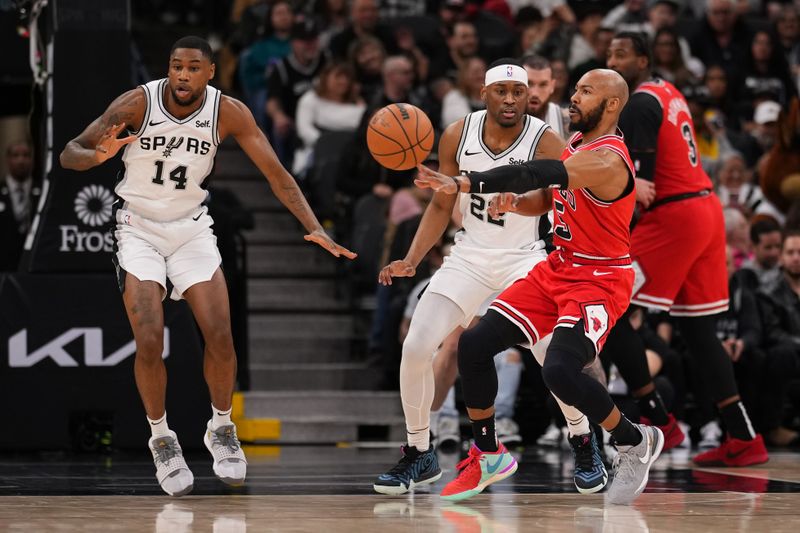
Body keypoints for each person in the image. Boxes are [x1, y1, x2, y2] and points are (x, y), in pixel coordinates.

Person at [59, 36, 355, 497]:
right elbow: (69, 151)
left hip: (191, 228)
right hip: (138, 228)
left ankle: (220, 427)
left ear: (210, 72)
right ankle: (161, 438)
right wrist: (98, 154)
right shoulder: (137, 103)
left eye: (193, 68)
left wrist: (314, 227)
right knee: (151, 339)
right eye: (176, 66)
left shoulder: (229, 112)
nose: (182, 75)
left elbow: (277, 175)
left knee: (219, 332)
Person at [414, 68, 664, 505]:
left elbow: (539, 171)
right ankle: (488, 453)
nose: (574, 97)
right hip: (557, 269)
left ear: (611, 105)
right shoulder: (579, 143)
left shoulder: (606, 158)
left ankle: (634, 440)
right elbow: (551, 193)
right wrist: (523, 203)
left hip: (599, 280)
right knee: (472, 346)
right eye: (576, 88)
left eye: (586, 92)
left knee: (560, 371)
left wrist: (465, 182)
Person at [372, 58, 590, 496]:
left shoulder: (545, 139)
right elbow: (440, 202)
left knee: (552, 353)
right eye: (502, 91)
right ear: (484, 93)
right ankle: (419, 451)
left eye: (518, 92)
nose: (511, 99)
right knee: (416, 346)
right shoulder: (457, 133)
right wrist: (413, 258)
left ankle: (583, 439)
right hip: (468, 257)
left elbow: (556, 200)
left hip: (524, 258)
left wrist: (516, 202)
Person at [606, 31, 768, 465]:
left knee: (606, 303)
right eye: (609, 54)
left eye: (622, 54)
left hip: (674, 218)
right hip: (706, 212)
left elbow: (639, 189)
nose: (613, 61)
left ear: (643, 59)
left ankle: (658, 419)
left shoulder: (639, 102)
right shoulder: (668, 91)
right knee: (698, 331)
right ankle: (743, 436)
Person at [0, 140, 39, 271]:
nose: (21, 161)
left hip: (34, 265)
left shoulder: (44, 190)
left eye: (26, 155)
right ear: (8, 160)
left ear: (32, 160)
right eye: (15, 156)